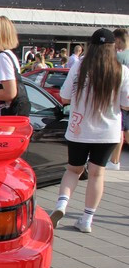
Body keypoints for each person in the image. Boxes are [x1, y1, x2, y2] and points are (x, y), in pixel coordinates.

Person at [50, 28, 129, 233]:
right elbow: (126, 104)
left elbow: (65, 95)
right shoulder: (121, 71)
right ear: (113, 47)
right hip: (107, 131)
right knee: (96, 174)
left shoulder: (79, 67)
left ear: (90, 47)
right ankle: (86, 219)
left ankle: (61, 205)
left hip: (79, 128)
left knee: (73, 169)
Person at [107, 27, 129, 170]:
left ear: (118, 40)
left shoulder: (119, 57)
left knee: (120, 129)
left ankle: (114, 161)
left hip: (122, 97)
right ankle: (114, 162)